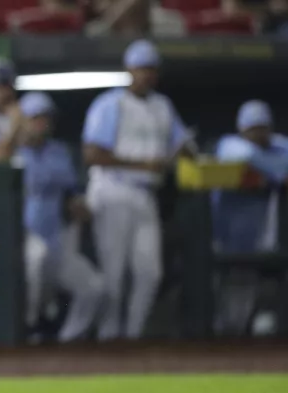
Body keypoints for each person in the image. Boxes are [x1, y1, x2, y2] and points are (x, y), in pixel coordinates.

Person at [82, 39, 192, 341]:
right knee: (113, 276)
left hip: (146, 195)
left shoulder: (162, 105)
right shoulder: (110, 103)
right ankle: (108, 338)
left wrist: (190, 153)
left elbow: (182, 144)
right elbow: (91, 154)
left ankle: (132, 337)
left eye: (151, 69)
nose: (146, 74)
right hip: (112, 189)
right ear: (129, 69)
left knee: (150, 272)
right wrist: (144, 165)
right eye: (141, 68)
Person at [18, 92, 105, 344]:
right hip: (22, 242)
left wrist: (79, 206)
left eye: (45, 118)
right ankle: (32, 324)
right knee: (37, 256)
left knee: (94, 286)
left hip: (57, 239)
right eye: (34, 118)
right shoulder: (11, 154)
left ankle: (66, 341)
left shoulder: (58, 152)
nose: (41, 124)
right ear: (21, 121)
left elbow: (71, 193)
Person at [213, 100, 288, 253]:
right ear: (242, 129)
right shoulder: (229, 145)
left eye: (262, 128)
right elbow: (248, 156)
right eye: (253, 129)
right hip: (226, 226)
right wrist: (281, 175)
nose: (258, 134)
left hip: (259, 230)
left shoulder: (276, 146)